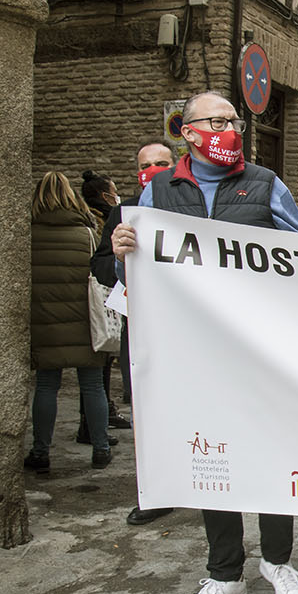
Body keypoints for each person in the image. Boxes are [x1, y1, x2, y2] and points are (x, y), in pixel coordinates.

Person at [111, 90, 298, 594]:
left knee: (274, 453)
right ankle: (225, 574)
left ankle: (278, 562)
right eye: (217, 121)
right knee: (214, 459)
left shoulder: (266, 184)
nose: (230, 128)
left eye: (234, 120)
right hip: (195, 353)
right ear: (189, 131)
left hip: (261, 348)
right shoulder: (159, 189)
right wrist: (123, 250)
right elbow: (132, 277)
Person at [91, 141, 177, 526]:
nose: (153, 169)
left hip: (190, 326)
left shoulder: (190, 207)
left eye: (162, 162)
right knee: (147, 408)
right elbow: (100, 265)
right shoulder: (123, 212)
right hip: (142, 325)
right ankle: (157, 491)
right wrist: (119, 254)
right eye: (146, 164)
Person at [25, 172, 113, 474]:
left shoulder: (28, 232)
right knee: (91, 385)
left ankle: (40, 452)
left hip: (45, 320)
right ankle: (101, 449)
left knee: (47, 385)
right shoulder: (86, 231)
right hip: (84, 321)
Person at [78, 170, 129, 440]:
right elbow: (100, 263)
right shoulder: (102, 221)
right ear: (104, 195)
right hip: (102, 300)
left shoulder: (90, 220)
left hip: (90, 302)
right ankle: (95, 424)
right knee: (100, 365)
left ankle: (95, 420)